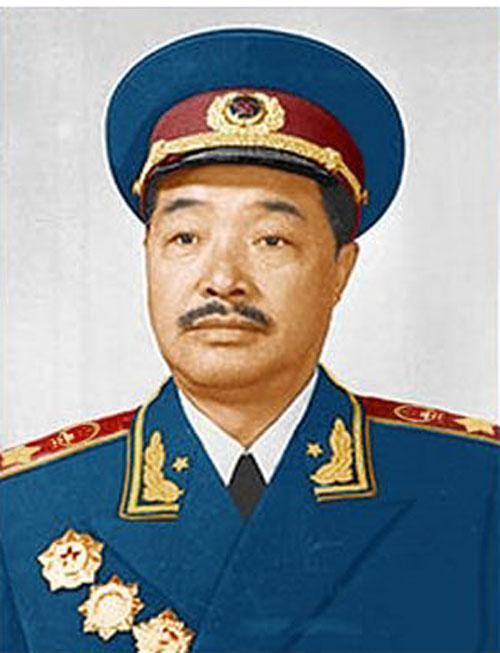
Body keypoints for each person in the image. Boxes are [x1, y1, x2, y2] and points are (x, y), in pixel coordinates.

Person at [0, 28, 498, 653]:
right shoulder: (24, 509)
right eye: (185, 238)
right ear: (148, 255)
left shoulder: (476, 489)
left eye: (271, 240)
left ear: (340, 269)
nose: (222, 279)